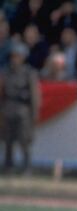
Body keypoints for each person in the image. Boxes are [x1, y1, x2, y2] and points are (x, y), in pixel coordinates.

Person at [1, 42, 40, 174]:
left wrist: (34, 114)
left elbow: (34, 96)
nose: (15, 59)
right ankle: (8, 166)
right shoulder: (5, 72)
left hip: (23, 110)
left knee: (24, 140)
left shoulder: (29, 73)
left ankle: (27, 166)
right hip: (8, 109)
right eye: (13, 56)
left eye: (18, 56)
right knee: (8, 140)